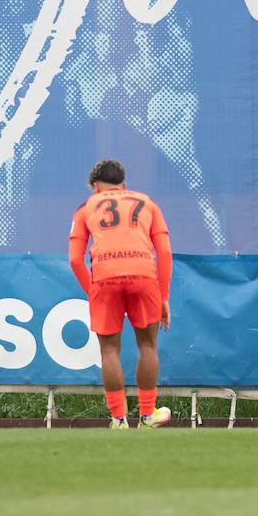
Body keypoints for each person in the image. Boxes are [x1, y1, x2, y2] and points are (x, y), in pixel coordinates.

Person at [68, 159, 174, 429]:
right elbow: (164, 253)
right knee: (148, 346)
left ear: (95, 187)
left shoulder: (85, 208)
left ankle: (118, 420)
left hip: (104, 277)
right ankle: (148, 417)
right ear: (124, 185)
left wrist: (92, 290)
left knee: (109, 351)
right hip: (143, 276)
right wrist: (163, 296)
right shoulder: (147, 202)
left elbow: (75, 259)